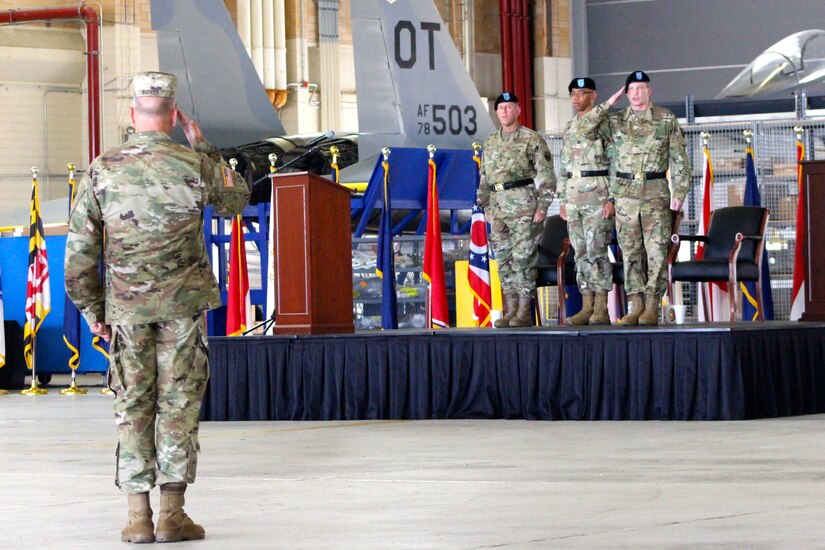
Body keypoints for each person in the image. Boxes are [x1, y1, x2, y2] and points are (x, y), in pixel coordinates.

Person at [64, 71, 249, 543]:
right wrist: (203, 144)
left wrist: (92, 312)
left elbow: (79, 256)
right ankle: (172, 515)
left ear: (132, 115)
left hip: (126, 311)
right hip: (183, 308)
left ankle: (137, 519)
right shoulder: (193, 163)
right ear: (172, 117)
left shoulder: (102, 169)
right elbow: (236, 199)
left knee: (133, 405)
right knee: (178, 403)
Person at [588, 71, 690, 325]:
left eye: (640, 88)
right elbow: (586, 128)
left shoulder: (665, 118)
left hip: (655, 191)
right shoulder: (615, 120)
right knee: (630, 252)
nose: (635, 93)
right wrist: (608, 104)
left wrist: (679, 192)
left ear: (649, 91)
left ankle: (653, 305)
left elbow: (679, 158)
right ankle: (636, 305)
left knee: (656, 251)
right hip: (624, 195)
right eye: (630, 89)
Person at [476, 91, 556, 327]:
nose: (504, 112)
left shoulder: (532, 139)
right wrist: (485, 206)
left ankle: (524, 312)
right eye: (501, 108)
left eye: (510, 108)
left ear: (518, 111)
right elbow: (484, 177)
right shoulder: (491, 141)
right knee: (503, 259)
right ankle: (511, 310)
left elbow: (547, 177)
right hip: (498, 207)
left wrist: (543, 207)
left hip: (524, 206)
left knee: (523, 259)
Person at [557, 77, 614, 325]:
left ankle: (601, 308)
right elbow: (564, 168)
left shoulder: (604, 124)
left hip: (598, 195)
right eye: (573, 94)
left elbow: (617, 162)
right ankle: (586, 306)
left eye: (582, 93)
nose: (576, 98)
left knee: (597, 250)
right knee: (580, 253)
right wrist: (562, 199)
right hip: (573, 197)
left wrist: (612, 198)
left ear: (594, 96)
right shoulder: (569, 127)